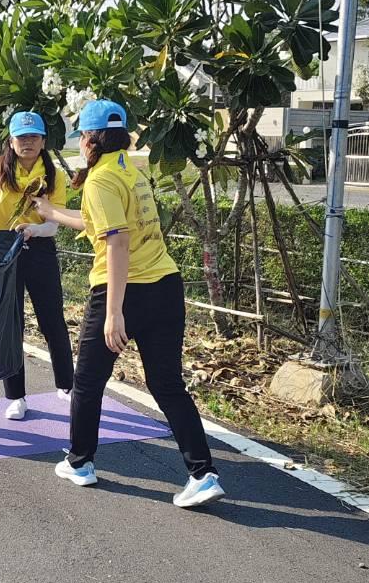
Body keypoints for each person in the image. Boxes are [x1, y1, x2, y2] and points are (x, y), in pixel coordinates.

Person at [33, 99, 225, 510]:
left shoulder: (101, 179)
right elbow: (98, 223)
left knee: (87, 382)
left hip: (121, 290)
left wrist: (114, 312)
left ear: (89, 139)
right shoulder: (129, 170)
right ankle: (203, 473)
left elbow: (116, 241)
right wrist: (51, 212)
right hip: (165, 284)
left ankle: (79, 462)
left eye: (83, 136)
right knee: (167, 384)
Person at [0, 109, 74, 420]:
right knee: (9, 325)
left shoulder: (54, 175)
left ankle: (67, 385)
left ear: (42, 142)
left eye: (33, 137)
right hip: (4, 252)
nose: (27, 142)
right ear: (10, 142)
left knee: (52, 320)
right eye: (21, 137)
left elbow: (53, 223)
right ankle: (16, 396)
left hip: (39, 249)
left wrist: (33, 229)